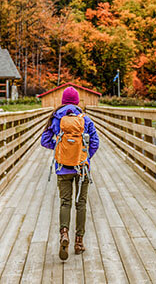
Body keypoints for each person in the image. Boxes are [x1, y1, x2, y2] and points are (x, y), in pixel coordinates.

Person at [40, 86, 99, 260]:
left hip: (62, 167)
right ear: (77, 101)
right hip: (82, 168)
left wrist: (59, 150)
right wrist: (85, 156)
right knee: (81, 203)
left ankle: (64, 234)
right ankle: (79, 241)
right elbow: (95, 142)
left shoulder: (56, 117)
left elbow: (44, 140)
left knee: (65, 202)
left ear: (63, 101)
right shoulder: (85, 119)